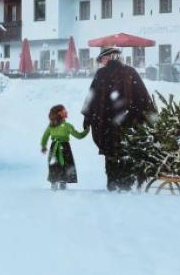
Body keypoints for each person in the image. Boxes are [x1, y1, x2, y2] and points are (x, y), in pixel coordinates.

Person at [82, 46, 155, 191]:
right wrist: (148, 115)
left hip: (107, 123)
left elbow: (91, 97)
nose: (101, 62)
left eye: (102, 59)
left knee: (111, 153)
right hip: (128, 121)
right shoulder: (129, 72)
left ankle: (113, 182)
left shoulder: (103, 74)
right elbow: (143, 97)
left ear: (109, 57)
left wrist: (88, 117)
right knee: (125, 151)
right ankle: (125, 183)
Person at [40, 104, 88, 190]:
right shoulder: (67, 126)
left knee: (54, 166)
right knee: (65, 166)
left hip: (54, 147)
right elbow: (79, 136)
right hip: (65, 148)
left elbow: (45, 137)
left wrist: (44, 146)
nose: (66, 112)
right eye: (64, 111)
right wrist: (87, 130)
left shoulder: (51, 125)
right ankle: (63, 187)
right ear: (59, 114)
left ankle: (54, 186)